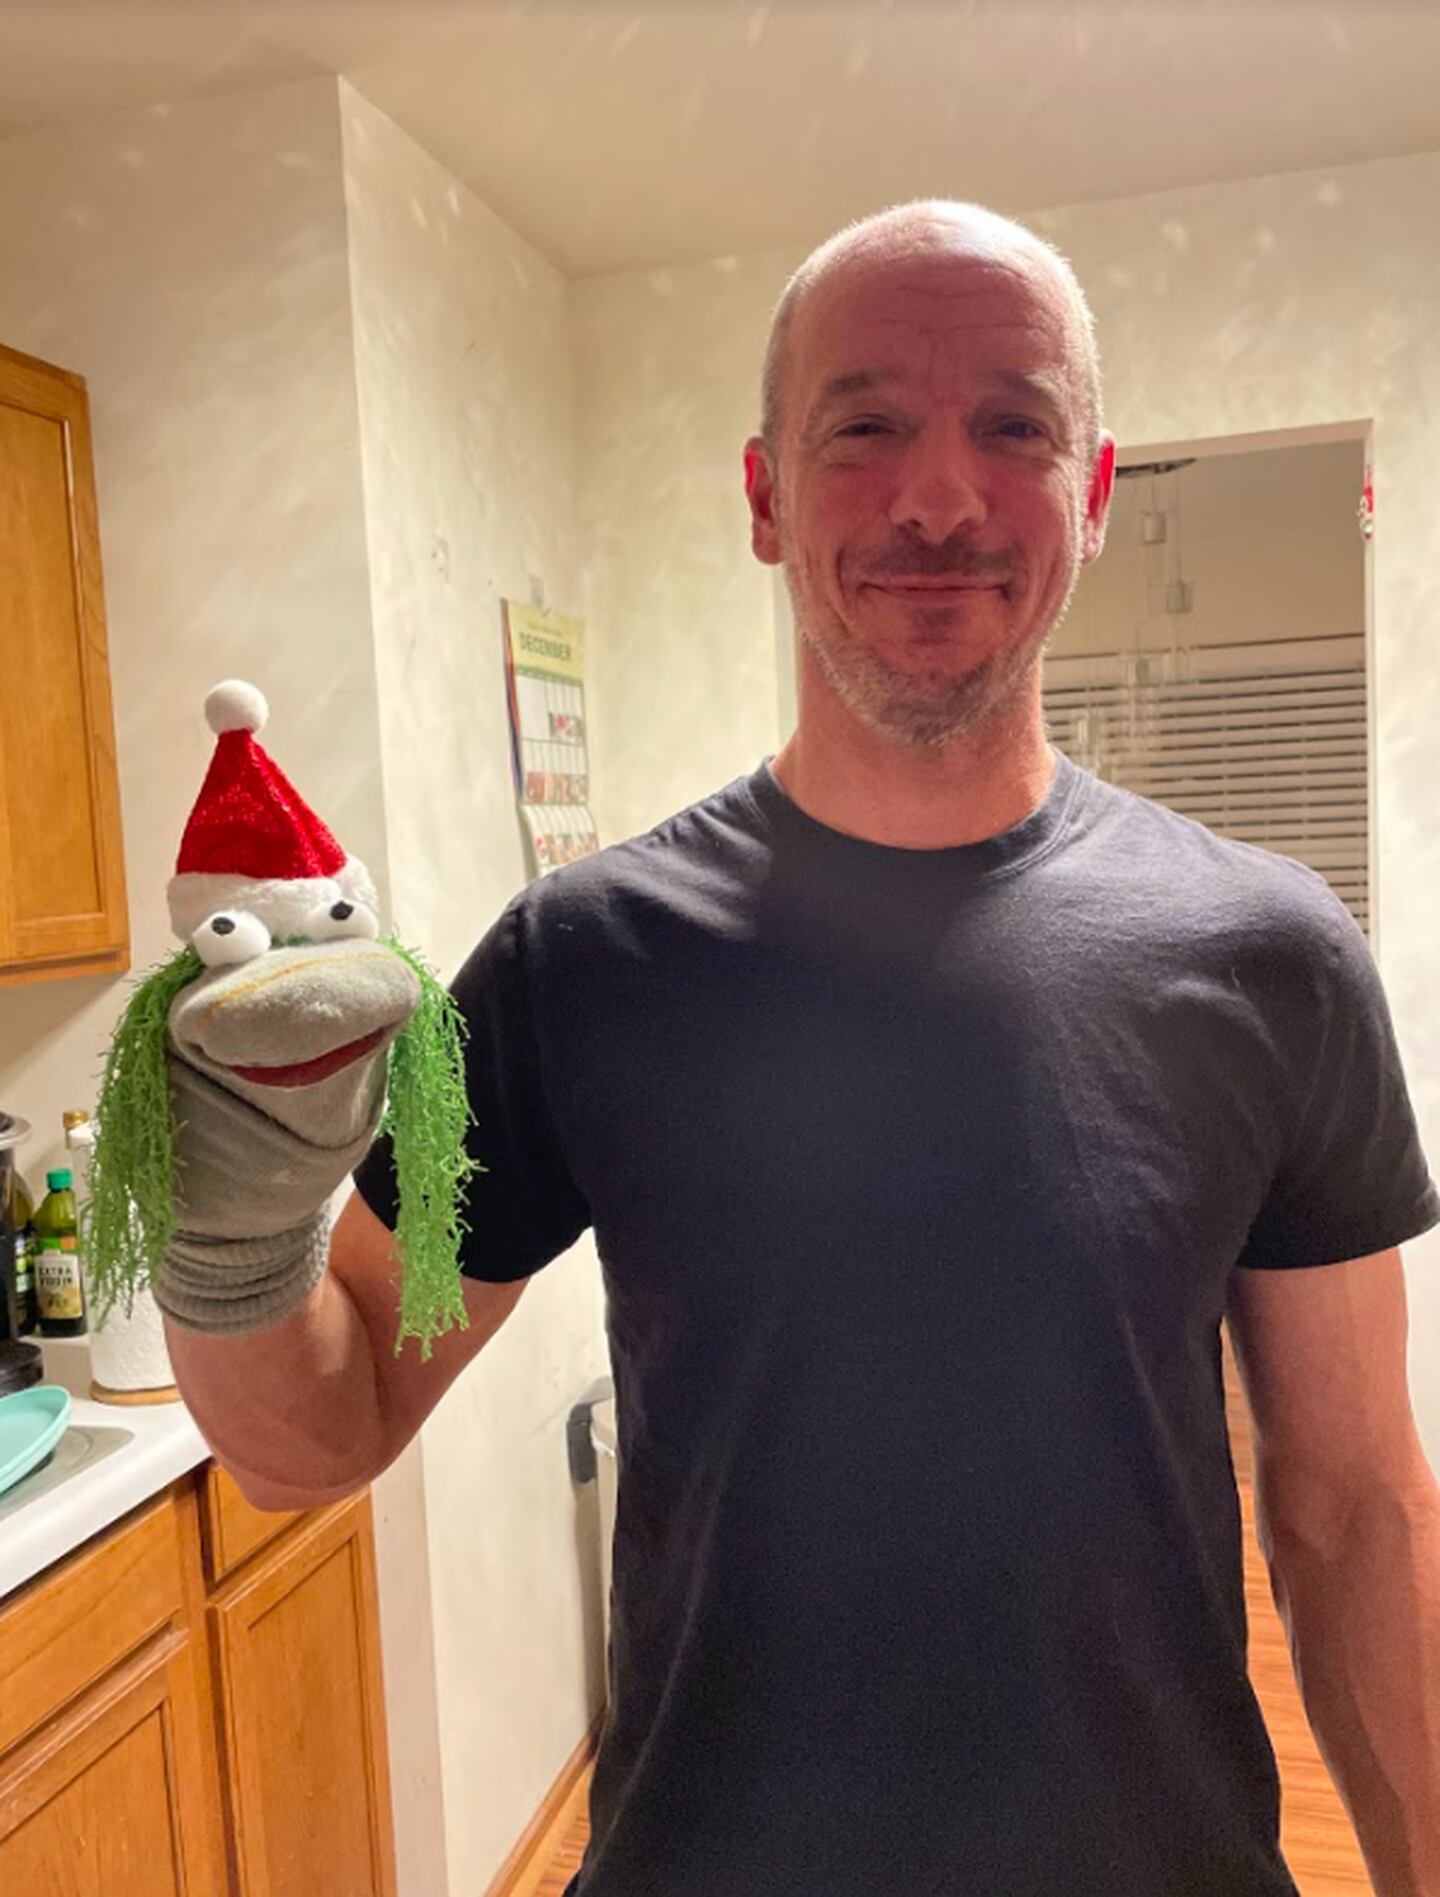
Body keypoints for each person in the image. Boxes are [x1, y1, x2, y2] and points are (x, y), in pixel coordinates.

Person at [161, 200, 1440, 1896]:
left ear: (1096, 490)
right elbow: (318, 1428)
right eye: (864, 428)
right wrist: (233, 1228)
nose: (938, 495)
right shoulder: (579, 962)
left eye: (1014, 424)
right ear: (764, 497)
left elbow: (1354, 1508)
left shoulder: (1274, 958)